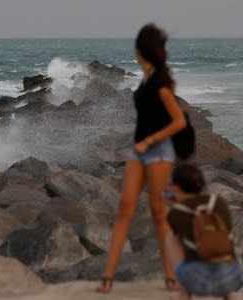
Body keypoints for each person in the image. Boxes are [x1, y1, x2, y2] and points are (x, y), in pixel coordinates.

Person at [96, 23, 187, 293]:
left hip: (158, 152)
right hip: (138, 150)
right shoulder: (146, 79)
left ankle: (172, 276)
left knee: (160, 214)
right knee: (125, 208)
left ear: (140, 50)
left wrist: (151, 140)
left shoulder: (160, 84)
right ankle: (108, 278)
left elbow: (179, 121)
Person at [165, 164, 243, 300]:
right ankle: (229, 295)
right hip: (231, 278)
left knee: (171, 238)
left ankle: (184, 293)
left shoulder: (176, 213)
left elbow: (184, 232)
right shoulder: (219, 203)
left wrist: (173, 206)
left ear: (176, 188)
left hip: (197, 281)